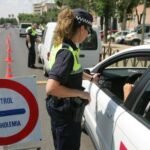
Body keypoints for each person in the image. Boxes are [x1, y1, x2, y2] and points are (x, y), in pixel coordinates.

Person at [45, 7, 100, 150]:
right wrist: (81, 93)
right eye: (88, 30)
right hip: (65, 113)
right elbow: (51, 88)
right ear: (82, 28)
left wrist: (90, 78)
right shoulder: (67, 53)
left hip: (59, 109)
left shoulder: (62, 45)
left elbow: (72, 71)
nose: (88, 34)